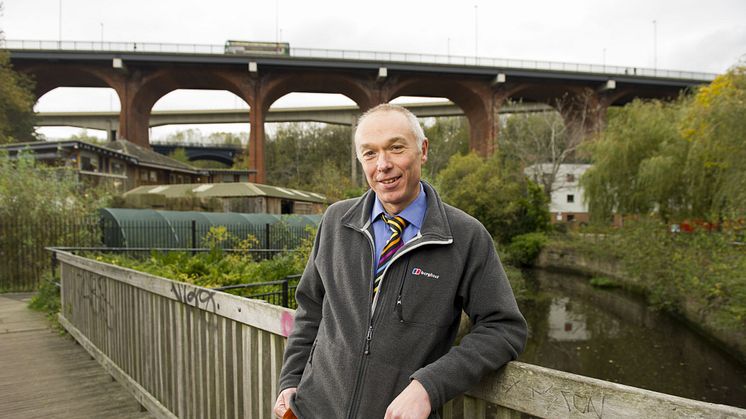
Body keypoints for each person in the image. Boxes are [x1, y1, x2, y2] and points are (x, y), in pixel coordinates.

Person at [274, 103, 527, 419]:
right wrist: (290, 380)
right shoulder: (337, 221)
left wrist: (429, 386)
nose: (383, 164)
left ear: (422, 150)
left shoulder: (464, 236)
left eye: (395, 148)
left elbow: (504, 328)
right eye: (369, 153)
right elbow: (310, 306)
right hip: (312, 411)